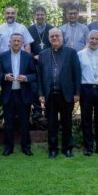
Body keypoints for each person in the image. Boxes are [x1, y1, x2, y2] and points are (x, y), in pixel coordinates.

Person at [38, 28, 81, 158]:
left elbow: (77, 74)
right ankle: (53, 149)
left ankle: (67, 148)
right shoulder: (43, 54)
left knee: (67, 123)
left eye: (57, 36)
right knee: (51, 124)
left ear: (62, 37)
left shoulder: (71, 53)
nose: (55, 38)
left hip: (66, 94)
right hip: (50, 94)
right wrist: (41, 94)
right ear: (49, 38)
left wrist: (77, 93)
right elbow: (40, 76)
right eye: (52, 36)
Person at [0, 33, 37, 156]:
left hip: (23, 94)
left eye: (18, 41)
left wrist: (26, 78)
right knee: (8, 123)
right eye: (14, 41)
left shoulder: (28, 56)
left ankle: (26, 147)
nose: (16, 43)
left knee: (24, 123)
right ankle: (8, 147)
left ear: (22, 44)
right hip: (8, 94)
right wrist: (5, 76)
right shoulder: (2, 56)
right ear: (9, 42)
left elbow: (35, 74)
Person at [78, 30, 98, 157]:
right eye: (92, 38)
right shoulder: (80, 54)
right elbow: (78, 72)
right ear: (88, 39)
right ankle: (88, 148)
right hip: (85, 88)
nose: (94, 41)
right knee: (86, 119)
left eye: (97, 39)